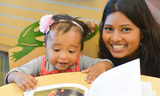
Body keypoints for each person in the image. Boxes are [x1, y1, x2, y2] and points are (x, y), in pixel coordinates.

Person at [5, 14, 113, 90]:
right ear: (46, 48)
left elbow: (108, 64)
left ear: (79, 51)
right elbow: (11, 75)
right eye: (56, 50)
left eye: (71, 51)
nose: (64, 56)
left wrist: (102, 65)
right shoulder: (41, 64)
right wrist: (18, 77)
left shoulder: (81, 61)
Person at [91, 0, 160, 78]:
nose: (115, 38)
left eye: (126, 29)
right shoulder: (106, 58)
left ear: (142, 33)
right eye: (109, 29)